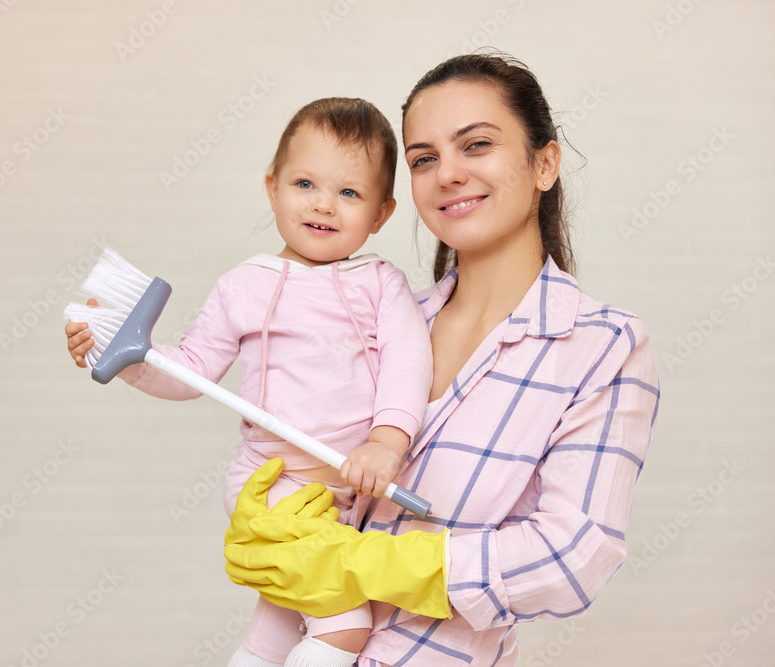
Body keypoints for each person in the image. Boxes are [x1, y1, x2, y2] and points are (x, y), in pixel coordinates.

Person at [223, 53, 661, 666]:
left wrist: (374, 563)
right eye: (424, 159)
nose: (447, 175)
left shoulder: (599, 344)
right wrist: (272, 520)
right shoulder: (381, 324)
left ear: (544, 163)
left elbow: (572, 557)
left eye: (476, 145)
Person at [65, 98, 434, 666]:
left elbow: (409, 361)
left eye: (349, 192)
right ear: (272, 188)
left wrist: (387, 441)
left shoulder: (381, 283)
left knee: (275, 634)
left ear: (381, 214)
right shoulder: (244, 285)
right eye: (304, 184)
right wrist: (130, 361)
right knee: (344, 626)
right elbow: (189, 369)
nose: (323, 204)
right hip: (273, 487)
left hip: (342, 494)